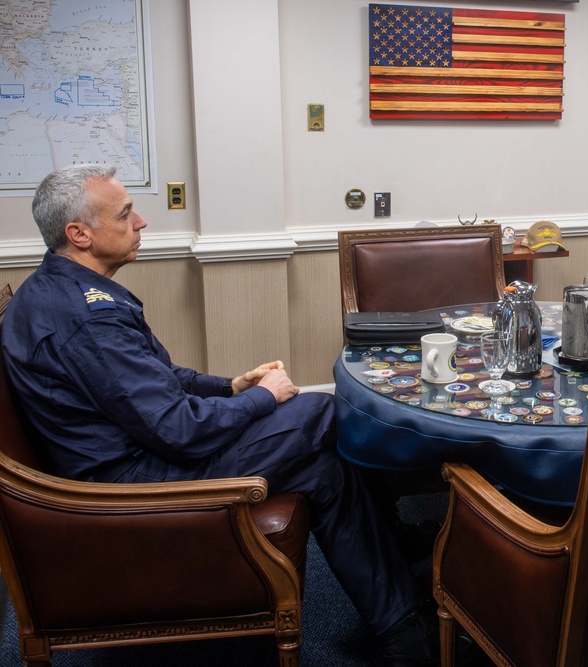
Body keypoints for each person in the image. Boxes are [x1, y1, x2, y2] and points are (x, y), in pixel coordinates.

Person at [0, 165, 442, 664]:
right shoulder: (85, 318)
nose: (140, 221)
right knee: (321, 411)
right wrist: (264, 398)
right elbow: (178, 430)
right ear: (78, 234)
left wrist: (230, 386)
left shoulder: (62, 291)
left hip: (135, 455)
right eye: (124, 214)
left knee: (323, 469)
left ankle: (403, 626)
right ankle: (428, 502)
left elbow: (156, 378)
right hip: (134, 484)